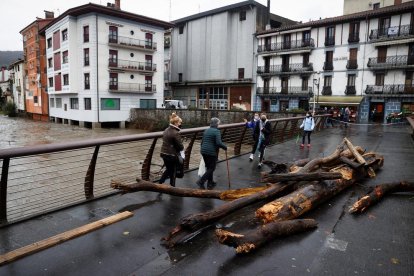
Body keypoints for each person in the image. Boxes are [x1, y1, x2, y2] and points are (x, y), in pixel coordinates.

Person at [197, 117, 227, 189]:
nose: (219, 125)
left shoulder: (206, 130)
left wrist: (203, 150)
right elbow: (218, 143)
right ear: (216, 124)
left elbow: (202, 142)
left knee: (209, 168)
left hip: (204, 151)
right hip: (211, 152)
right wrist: (225, 147)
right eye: (218, 124)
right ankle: (201, 181)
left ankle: (210, 182)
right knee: (212, 168)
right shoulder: (217, 131)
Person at [159, 113, 184, 187]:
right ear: (176, 123)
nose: (180, 124)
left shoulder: (166, 130)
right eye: (179, 122)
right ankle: (172, 186)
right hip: (171, 154)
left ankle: (161, 182)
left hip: (164, 153)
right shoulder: (175, 133)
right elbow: (180, 146)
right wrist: (182, 149)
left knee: (169, 169)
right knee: (173, 170)